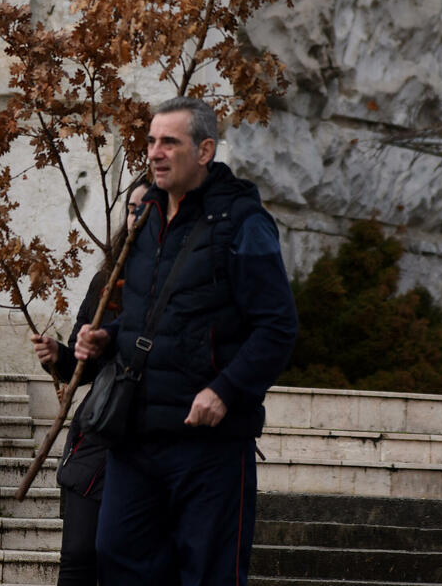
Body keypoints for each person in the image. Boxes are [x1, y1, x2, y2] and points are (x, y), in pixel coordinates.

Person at [74, 97, 298, 586]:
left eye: (169, 142)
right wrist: (106, 339)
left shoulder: (243, 222)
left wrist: (226, 390)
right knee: (117, 558)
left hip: (209, 446)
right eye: (151, 141)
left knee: (208, 574)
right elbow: (151, 317)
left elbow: (278, 327)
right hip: (136, 435)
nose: (155, 152)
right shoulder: (146, 217)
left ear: (204, 151)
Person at [31, 178, 149, 586]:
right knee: (79, 553)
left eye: (146, 207)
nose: (138, 216)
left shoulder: (182, 281)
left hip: (153, 430)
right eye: (132, 208)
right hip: (99, 430)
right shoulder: (107, 282)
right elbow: (79, 369)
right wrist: (57, 355)